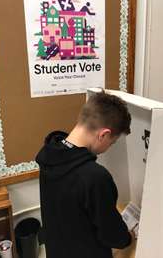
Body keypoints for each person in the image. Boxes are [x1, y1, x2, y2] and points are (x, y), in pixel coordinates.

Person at [36, 91, 132, 258]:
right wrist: (129, 237)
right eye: (113, 142)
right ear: (104, 134)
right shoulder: (94, 177)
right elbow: (112, 235)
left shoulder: (49, 154)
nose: (109, 147)